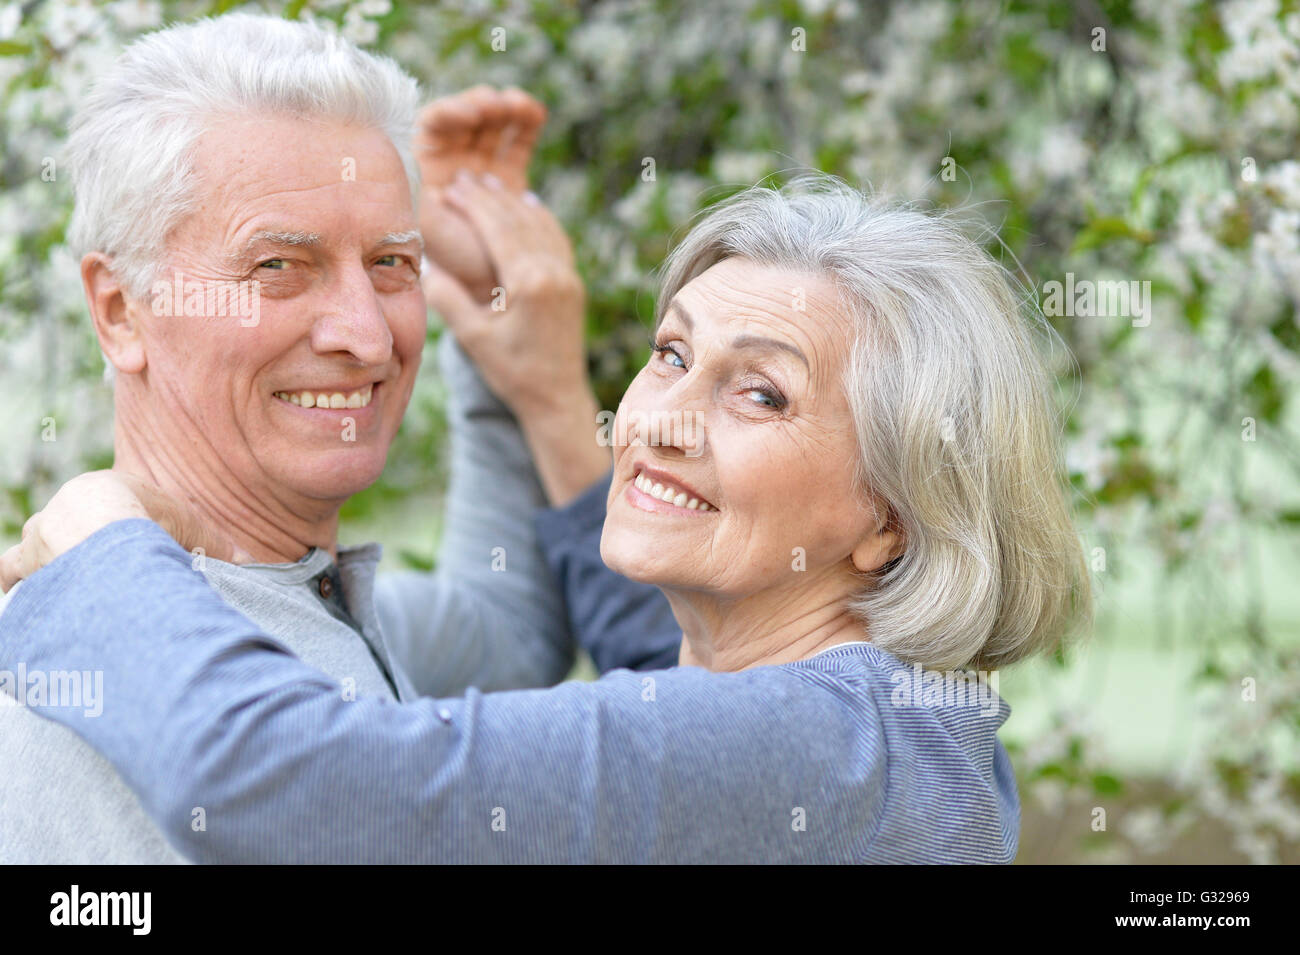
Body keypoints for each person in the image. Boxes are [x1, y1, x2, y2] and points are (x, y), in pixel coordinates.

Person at [1, 175, 1093, 863]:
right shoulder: (880, 716)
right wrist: (542, 393)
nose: (659, 418)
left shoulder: (826, 750)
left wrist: (102, 546)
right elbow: (649, 654)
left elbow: (306, 787)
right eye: (671, 355)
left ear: (891, 520)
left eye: (758, 392)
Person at [0, 12, 676, 864]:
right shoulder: (93, 680)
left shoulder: (298, 593)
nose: (367, 333)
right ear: (119, 309)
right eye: (278, 266)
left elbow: (509, 634)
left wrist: (501, 330)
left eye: (392, 262)